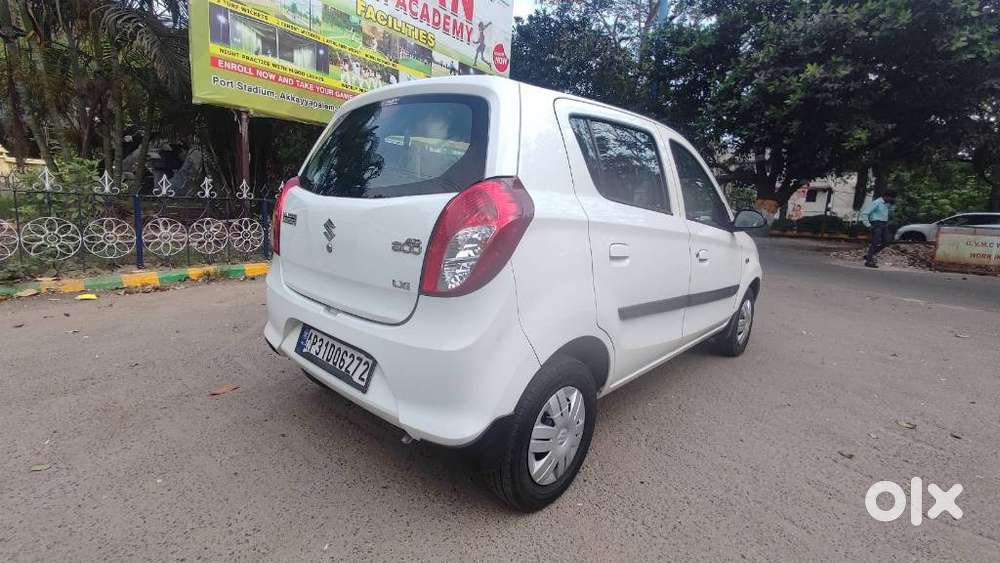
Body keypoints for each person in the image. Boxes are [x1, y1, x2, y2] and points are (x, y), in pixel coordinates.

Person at [860, 190, 897, 268]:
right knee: (875, 242)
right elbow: (865, 213)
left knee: (887, 241)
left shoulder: (887, 205)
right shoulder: (876, 203)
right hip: (876, 223)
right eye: (891, 198)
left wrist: (892, 206)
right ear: (886, 196)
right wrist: (868, 225)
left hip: (884, 224)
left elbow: (890, 213)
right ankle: (869, 261)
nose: (891, 200)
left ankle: (869, 255)